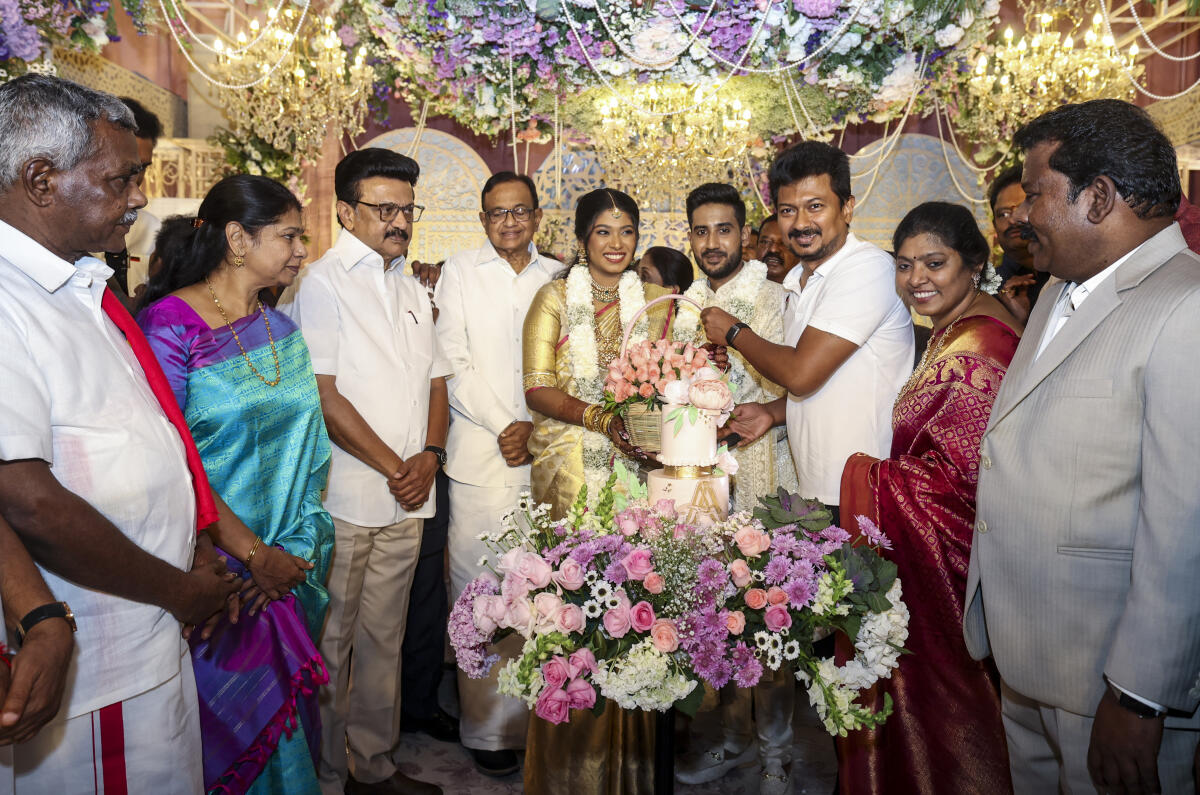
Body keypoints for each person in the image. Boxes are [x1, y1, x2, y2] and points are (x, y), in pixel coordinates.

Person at [0, 74, 239, 793]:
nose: (138, 197)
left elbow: (149, 439)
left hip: (148, 639)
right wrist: (181, 590)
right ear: (41, 178)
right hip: (95, 663)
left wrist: (194, 546)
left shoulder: (80, 286)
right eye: (121, 178)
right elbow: (27, 499)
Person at [963, 99, 1200, 794]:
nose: (1019, 215)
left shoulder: (1186, 306)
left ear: (1097, 197)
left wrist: (1138, 695)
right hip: (1031, 649)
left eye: (1035, 194)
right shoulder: (1059, 289)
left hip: (1107, 674)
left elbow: (1185, 527)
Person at [136, 174, 335, 794]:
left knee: (290, 732)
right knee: (227, 738)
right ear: (236, 238)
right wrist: (250, 557)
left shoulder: (284, 330)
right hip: (214, 571)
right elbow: (171, 463)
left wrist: (296, 550)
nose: (301, 250)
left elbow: (311, 456)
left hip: (287, 566)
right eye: (289, 235)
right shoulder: (169, 327)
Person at [278, 147, 446, 795]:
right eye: (384, 208)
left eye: (407, 209)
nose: (398, 220)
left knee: (386, 637)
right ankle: (324, 777)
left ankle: (372, 764)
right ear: (346, 211)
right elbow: (325, 393)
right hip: (347, 493)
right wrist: (394, 465)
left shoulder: (409, 283)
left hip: (409, 495)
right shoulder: (321, 282)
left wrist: (428, 458)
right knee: (333, 641)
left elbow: (436, 382)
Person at [837, 202, 1020, 795]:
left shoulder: (977, 350)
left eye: (934, 263)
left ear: (974, 263)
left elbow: (960, 485)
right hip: (946, 561)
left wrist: (866, 478)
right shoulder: (959, 328)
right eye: (905, 265)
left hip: (957, 569)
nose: (917, 279)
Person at [521, 187, 671, 795]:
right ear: (582, 239)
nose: (616, 243)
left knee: (639, 609)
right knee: (576, 614)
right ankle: (570, 776)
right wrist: (601, 419)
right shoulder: (553, 299)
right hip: (572, 476)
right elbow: (536, 387)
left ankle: (633, 773)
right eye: (604, 232)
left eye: (627, 231)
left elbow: (676, 375)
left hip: (641, 476)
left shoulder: (657, 304)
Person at [700, 141, 914, 525]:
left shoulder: (868, 268)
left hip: (864, 487)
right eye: (787, 210)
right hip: (815, 486)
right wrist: (771, 412)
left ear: (846, 207)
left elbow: (801, 374)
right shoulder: (798, 279)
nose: (800, 223)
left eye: (815, 206)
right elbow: (831, 381)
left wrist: (733, 331)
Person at [671, 183, 799, 795]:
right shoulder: (682, 304)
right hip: (701, 482)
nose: (712, 242)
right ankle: (730, 739)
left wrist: (768, 410)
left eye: (724, 230)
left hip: (766, 470)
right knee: (713, 618)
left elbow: (803, 383)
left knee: (768, 617)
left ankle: (776, 752)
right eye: (701, 231)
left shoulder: (775, 297)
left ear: (744, 236)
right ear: (689, 236)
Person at [435, 171, 559, 777]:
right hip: (481, 459)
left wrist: (535, 431)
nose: (508, 223)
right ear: (482, 220)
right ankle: (485, 730)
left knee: (536, 596)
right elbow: (452, 361)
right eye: (496, 214)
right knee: (477, 594)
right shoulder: (460, 272)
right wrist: (507, 425)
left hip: (545, 464)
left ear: (538, 217)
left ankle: (534, 723)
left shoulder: (559, 276)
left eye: (519, 212)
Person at [107, 97, 163, 306]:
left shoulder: (153, 229)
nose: (137, 179)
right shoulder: (73, 232)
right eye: (127, 169)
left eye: (143, 167)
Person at [988, 165, 1049, 324]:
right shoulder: (989, 290)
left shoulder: (1066, 275)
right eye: (1003, 214)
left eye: (1022, 207)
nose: (1013, 219)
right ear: (994, 225)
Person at [756, 214, 797, 284]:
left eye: (784, 243)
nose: (773, 249)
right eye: (765, 242)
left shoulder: (814, 291)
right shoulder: (737, 286)